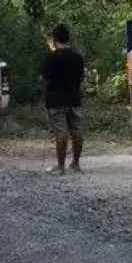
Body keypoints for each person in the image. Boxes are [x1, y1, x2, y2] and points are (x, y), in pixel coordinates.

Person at [39, 24, 85, 175]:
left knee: (61, 132)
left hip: (56, 100)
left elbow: (44, 80)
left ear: (55, 40)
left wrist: (45, 95)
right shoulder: (78, 58)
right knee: (77, 131)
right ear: (68, 38)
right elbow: (81, 80)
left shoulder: (50, 58)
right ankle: (76, 164)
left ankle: (60, 166)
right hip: (74, 99)